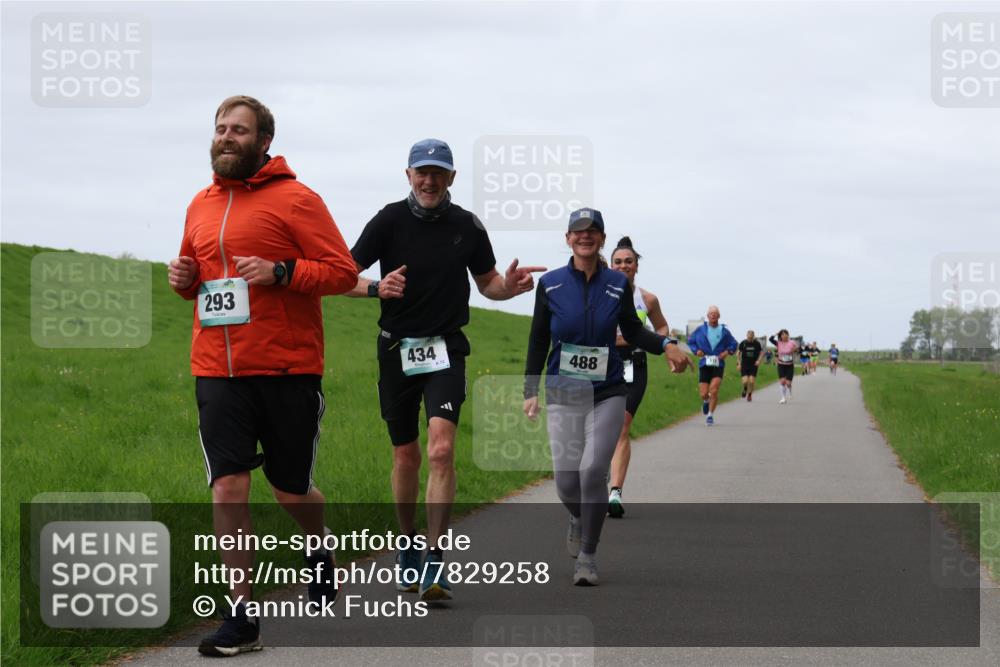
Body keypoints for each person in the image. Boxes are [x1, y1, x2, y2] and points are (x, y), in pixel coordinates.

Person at [169, 96, 358, 656]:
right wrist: (182, 278)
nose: (227, 137)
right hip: (216, 368)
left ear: (263, 141)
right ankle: (242, 616)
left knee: (290, 488)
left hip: (286, 367)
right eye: (221, 129)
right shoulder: (200, 204)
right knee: (228, 485)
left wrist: (280, 272)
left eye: (239, 130)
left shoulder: (297, 199)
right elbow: (193, 277)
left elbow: (342, 272)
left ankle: (319, 546)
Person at [347, 139, 544, 602]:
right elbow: (341, 276)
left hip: (446, 350)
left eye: (439, 172)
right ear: (409, 175)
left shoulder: (468, 227)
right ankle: (407, 544)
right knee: (406, 456)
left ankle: (436, 557)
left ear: (452, 178)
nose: (430, 180)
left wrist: (509, 288)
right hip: (396, 349)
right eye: (422, 172)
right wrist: (376, 288)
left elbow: (488, 284)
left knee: (440, 450)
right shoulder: (388, 220)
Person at [523, 208, 689, 586]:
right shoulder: (549, 284)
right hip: (564, 390)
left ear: (601, 238)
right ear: (568, 239)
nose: (585, 237)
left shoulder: (618, 285)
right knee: (566, 481)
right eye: (578, 231)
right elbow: (537, 339)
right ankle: (579, 517)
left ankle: (588, 554)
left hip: (607, 390)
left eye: (593, 231)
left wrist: (666, 343)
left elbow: (633, 330)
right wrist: (530, 390)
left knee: (592, 470)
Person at [607, 236, 680, 519]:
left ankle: (615, 491)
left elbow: (661, 327)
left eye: (629, 262)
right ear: (609, 265)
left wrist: (651, 341)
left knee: (622, 425)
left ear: (636, 266)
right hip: (601, 363)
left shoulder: (647, 298)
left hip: (633, 365)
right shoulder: (598, 293)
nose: (623, 266)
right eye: (618, 262)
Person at [686, 306, 739, 426]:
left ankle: (710, 415)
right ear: (707, 316)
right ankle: (705, 400)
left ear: (719, 316)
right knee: (704, 393)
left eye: (715, 313)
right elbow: (690, 342)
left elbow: (734, 344)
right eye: (711, 313)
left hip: (718, 363)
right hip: (705, 362)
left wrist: (727, 352)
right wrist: (696, 351)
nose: (713, 315)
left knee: (714, 390)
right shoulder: (700, 330)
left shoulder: (724, 331)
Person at [769, 329, 799, 403]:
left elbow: (798, 349)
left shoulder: (792, 342)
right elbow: (770, 339)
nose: (784, 335)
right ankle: (783, 398)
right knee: (782, 382)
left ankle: (790, 391)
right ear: (780, 336)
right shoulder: (778, 343)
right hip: (781, 365)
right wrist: (776, 333)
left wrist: (794, 349)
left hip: (789, 365)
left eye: (785, 334)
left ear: (788, 335)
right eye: (782, 334)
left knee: (788, 383)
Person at [736, 330, 763, 402]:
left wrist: (758, 361)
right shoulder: (743, 343)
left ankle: (750, 395)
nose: (750, 338)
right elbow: (738, 353)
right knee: (745, 381)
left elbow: (761, 353)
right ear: (747, 336)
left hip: (753, 365)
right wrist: (738, 363)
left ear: (753, 336)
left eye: (751, 336)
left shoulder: (757, 344)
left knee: (751, 381)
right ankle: (745, 389)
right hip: (744, 364)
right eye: (749, 336)